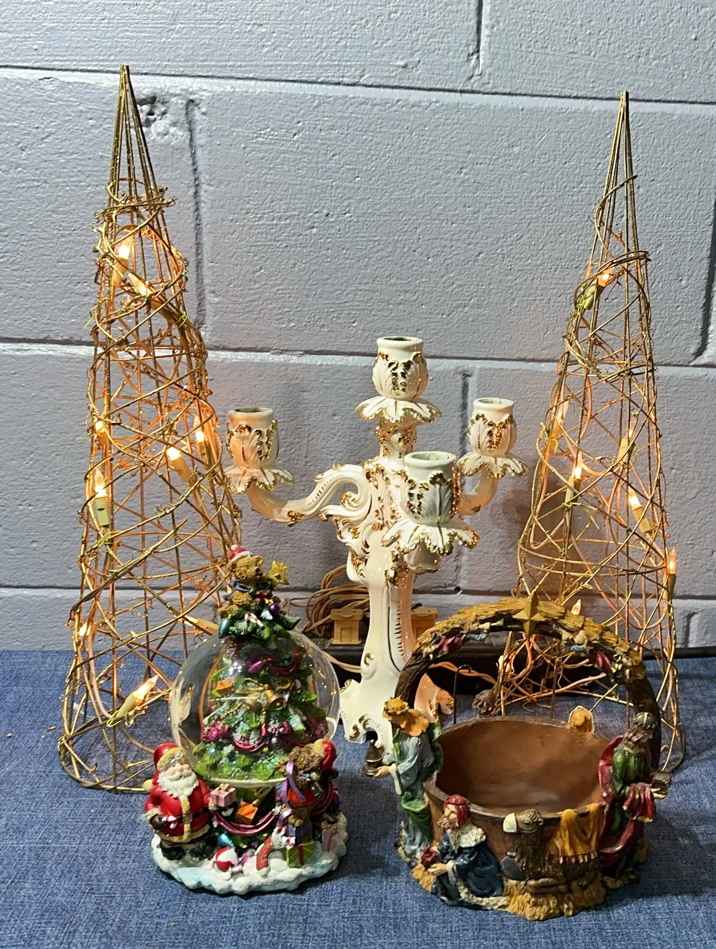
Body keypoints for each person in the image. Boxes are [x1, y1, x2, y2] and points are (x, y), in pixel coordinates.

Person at [376, 698, 443, 862]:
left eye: (392, 719)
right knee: (409, 817)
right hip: (413, 773)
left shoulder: (415, 740)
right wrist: (388, 757)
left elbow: (410, 767)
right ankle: (412, 838)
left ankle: (420, 845)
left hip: (420, 779)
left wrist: (390, 770)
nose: (390, 722)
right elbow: (400, 750)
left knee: (416, 810)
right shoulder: (404, 732)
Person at [598, 711, 657, 880]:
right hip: (622, 809)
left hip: (636, 807)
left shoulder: (643, 750)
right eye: (646, 731)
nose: (649, 736)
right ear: (638, 730)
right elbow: (617, 789)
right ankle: (613, 873)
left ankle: (628, 866)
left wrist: (653, 781)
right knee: (621, 839)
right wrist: (641, 791)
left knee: (634, 837)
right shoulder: (622, 756)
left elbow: (645, 774)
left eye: (650, 732)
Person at [424, 795, 503, 905]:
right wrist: (436, 851)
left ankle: (457, 896)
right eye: (446, 810)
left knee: (451, 873)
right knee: (443, 865)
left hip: (476, 868)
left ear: (461, 814)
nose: (446, 814)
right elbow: (447, 843)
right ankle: (445, 891)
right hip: (458, 859)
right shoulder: (453, 828)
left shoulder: (471, 834)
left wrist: (447, 867)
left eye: (452, 812)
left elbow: (467, 859)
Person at [144, 742, 213, 860]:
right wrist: (154, 816)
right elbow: (151, 803)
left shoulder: (198, 783)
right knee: (171, 846)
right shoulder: (159, 790)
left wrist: (210, 801)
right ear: (163, 770)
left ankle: (200, 849)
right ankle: (172, 850)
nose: (179, 768)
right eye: (173, 765)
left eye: (182, 763)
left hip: (198, 824)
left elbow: (206, 795)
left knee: (201, 841)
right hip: (173, 829)